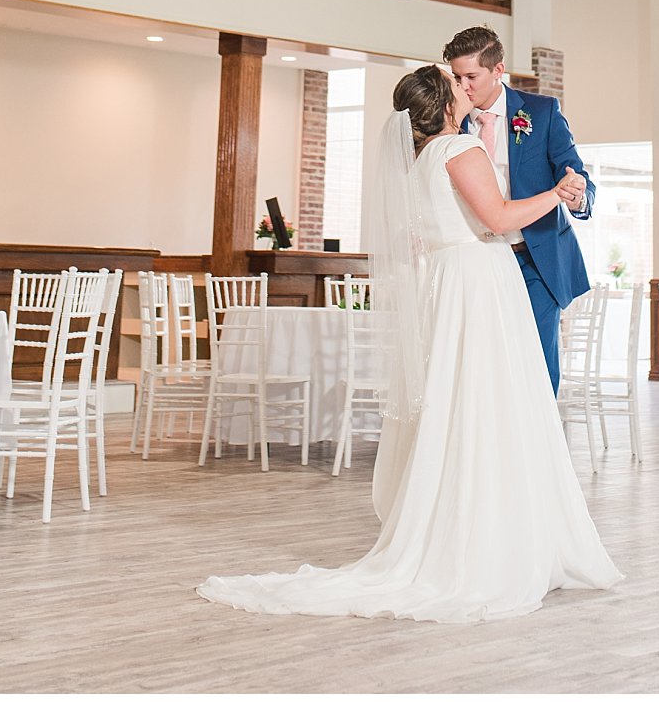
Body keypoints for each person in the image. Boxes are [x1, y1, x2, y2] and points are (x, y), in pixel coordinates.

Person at [198, 66, 622, 623]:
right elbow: (497, 220)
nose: (466, 89)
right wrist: (556, 194)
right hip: (479, 285)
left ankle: (474, 529)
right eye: (457, 84)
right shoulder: (461, 147)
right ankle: (494, 545)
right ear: (445, 103)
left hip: (453, 285)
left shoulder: (421, 159)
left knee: (464, 407)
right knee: (493, 407)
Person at [444, 26, 595, 390]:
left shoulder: (541, 112)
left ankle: (541, 445)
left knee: (538, 363)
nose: (463, 86)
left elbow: (574, 172)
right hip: (479, 261)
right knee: (486, 364)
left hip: (535, 258)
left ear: (498, 71)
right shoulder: (450, 121)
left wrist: (577, 195)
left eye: (471, 76)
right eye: (457, 77)